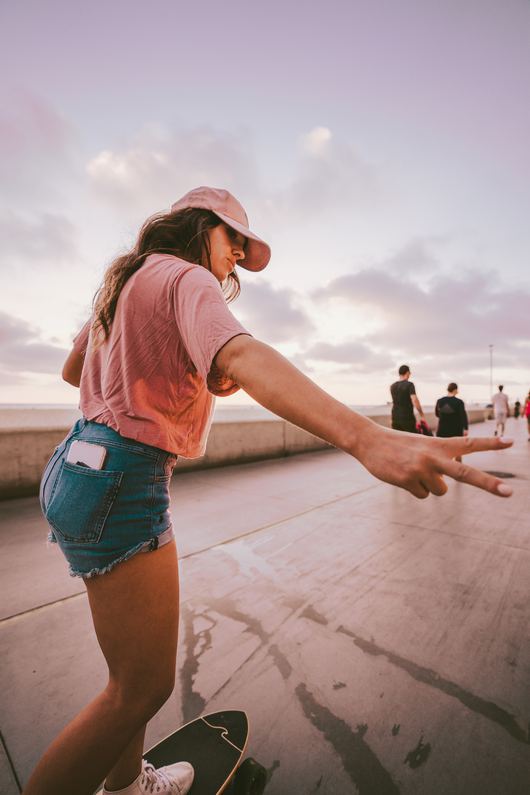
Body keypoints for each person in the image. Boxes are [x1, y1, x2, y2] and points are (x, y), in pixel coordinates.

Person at [26, 186, 513, 795]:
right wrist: (366, 438)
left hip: (74, 467)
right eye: (233, 240)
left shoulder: (125, 281)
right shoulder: (187, 277)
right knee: (143, 687)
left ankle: (125, 785)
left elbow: (75, 371)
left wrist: (182, 369)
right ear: (201, 227)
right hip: (125, 477)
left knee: (127, 680)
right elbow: (242, 350)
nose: (235, 259)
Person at [435, 382, 469, 462]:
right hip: (456, 430)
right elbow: (463, 416)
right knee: (458, 452)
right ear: (455, 390)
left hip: (442, 430)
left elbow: (437, 414)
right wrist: (466, 428)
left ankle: (442, 472)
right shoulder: (459, 402)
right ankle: (457, 471)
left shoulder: (439, 401)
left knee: (442, 453)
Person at [390, 364, 426, 433]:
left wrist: (392, 418)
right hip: (407, 418)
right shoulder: (409, 385)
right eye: (409, 373)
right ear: (407, 372)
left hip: (395, 418)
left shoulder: (392, 386)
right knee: (412, 439)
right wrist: (421, 414)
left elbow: (394, 403)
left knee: (398, 440)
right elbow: (414, 400)